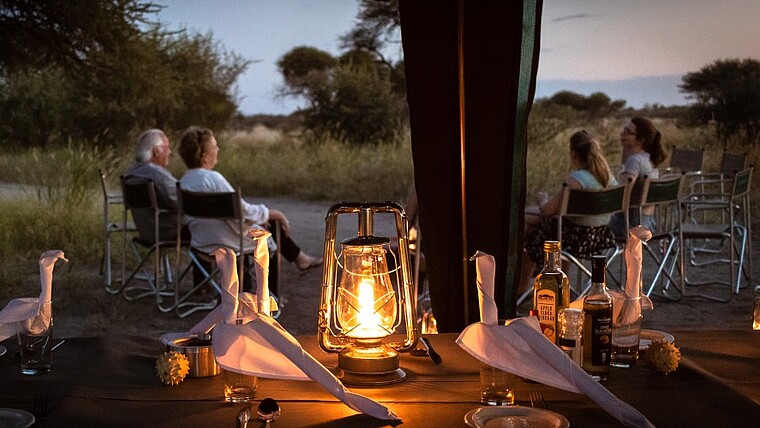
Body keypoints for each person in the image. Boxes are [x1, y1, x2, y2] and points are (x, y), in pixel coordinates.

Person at [177, 126, 322, 294]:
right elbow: (243, 210)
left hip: (201, 244)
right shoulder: (214, 178)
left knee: (261, 223)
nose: (218, 149)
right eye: (214, 146)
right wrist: (275, 213)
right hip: (229, 242)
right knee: (268, 232)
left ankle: (294, 263)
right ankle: (271, 297)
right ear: (204, 155)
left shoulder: (184, 181)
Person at [523, 130, 618, 279]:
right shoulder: (609, 178)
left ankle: (521, 282)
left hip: (574, 239)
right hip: (600, 237)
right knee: (536, 216)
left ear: (574, 154)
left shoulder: (576, 179)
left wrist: (542, 198)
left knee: (528, 219)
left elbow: (548, 210)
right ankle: (561, 279)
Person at [609, 117, 668, 239]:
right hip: (648, 223)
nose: (622, 133)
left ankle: (558, 257)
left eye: (628, 132)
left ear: (640, 140)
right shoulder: (648, 159)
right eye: (624, 129)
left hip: (628, 225)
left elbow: (621, 195)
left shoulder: (635, 161)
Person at [124, 129, 187, 242]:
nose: (170, 152)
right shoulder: (156, 174)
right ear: (156, 151)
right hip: (170, 231)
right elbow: (181, 202)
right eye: (167, 148)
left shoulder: (131, 174)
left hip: (146, 232)